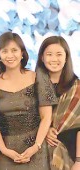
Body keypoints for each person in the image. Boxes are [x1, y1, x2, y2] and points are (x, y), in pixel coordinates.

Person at [0, 32, 58, 170]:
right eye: (4, 51)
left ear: (22, 53)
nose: (10, 55)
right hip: (3, 153)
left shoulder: (38, 78)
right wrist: (4, 149)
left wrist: (36, 146)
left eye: (14, 50)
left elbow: (46, 117)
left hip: (36, 150)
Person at [36, 36, 80, 170]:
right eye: (49, 54)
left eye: (59, 54)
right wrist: (45, 129)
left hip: (72, 153)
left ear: (66, 57)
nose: (54, 59)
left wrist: (79, 161)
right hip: (38, 154)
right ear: (42, 58)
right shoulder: (33, 86)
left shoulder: (77, 88)